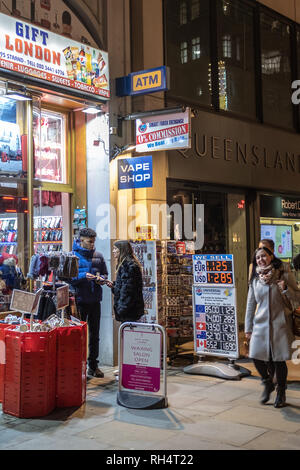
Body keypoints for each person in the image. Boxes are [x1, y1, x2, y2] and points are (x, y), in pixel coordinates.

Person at [245, 246, 300, 408]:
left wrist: (285, 289)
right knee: (256, 356)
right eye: (257, 258)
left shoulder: (283, 275)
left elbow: (297, 297)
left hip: (280, 323)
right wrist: (248, 327)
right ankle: (267, 382)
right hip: (260, 324)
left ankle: (281, 392)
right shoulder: (255, 280)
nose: (260, 260)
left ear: (271, 257)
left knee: (278, 360)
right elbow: (250, 305)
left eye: (263, 256)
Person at [71, 228, 108, 378]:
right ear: (80, 240)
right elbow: (68, 278)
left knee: (95, 334)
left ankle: (93, 365)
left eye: (94, 241)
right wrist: (82, 276)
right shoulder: (72, 256)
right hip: (79, 301)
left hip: (95, 300)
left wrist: (102, 279)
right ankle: (78, 367)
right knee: (79, 335)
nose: (92, 244)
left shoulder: (98, 256)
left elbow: (105, 272)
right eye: (89, 241)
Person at [106, 240, 144, 323]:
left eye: (115, 248)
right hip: (130, 310)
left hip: (129, 312)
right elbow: (125, 286)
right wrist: (114, 285)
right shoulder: (126, 265)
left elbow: (128, 291)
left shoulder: (128, 266)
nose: (113, 251)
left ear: (122, 250)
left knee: (128, 334)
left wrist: (121, 309)